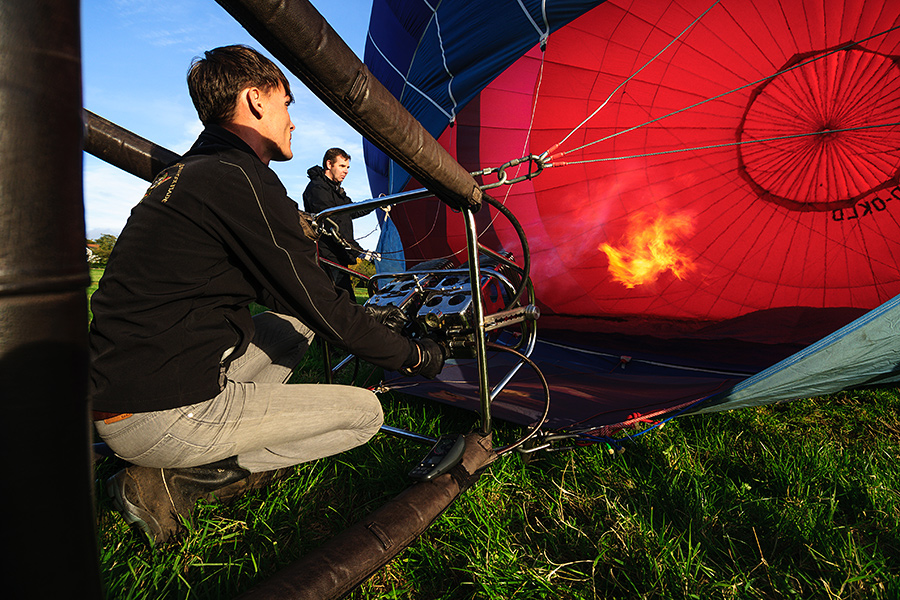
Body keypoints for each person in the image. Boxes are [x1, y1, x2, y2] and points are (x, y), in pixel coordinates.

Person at [88, 45, 444, 545]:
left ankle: (187, 450)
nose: (292, 122)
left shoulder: (187, 176)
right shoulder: (242, 180)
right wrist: (414, 355)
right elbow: (326, 307)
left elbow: (298, 304)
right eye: (287, 104)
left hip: (125, 393)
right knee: (365, 416)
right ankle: (176, 479)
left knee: (292, 324)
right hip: (159, 415)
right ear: (255, 101)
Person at [302, 148, 373, 299]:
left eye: (347, 167)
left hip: (339, 253)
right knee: (341, 300)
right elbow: (332, 224)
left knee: (346, 300)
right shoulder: (317, 189)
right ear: (329, 164)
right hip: (327, 255)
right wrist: (358, 251)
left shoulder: (336, 190)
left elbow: (352, 210)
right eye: (342, 166)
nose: (346, 171)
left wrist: (375, 204)